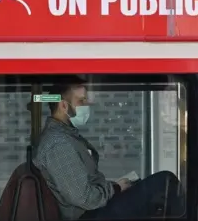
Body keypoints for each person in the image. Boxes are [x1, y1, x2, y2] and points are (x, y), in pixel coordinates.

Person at [33, 83, 185, 220]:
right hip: (88, 215)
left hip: (94, 210)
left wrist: (115, 187)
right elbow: (85, 198)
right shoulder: (58, 143)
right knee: (164, 182)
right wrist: (115, 188)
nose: (87, 105)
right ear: (64, 106)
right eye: (81, 101)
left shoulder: (66, 136)